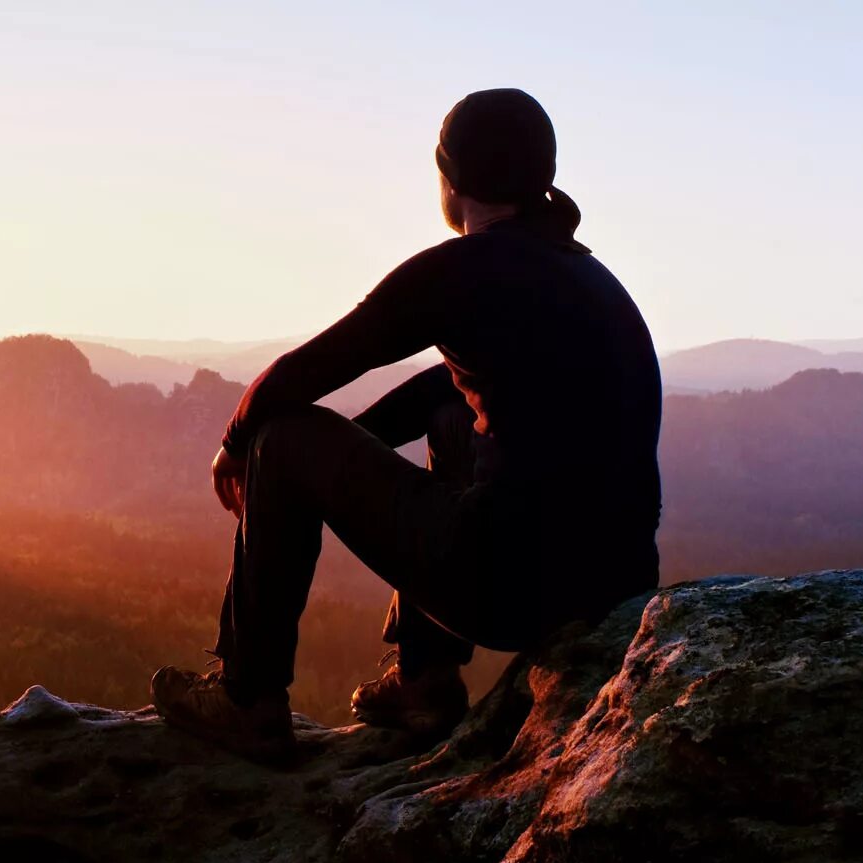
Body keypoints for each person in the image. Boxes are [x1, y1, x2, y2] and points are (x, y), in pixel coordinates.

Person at [151, 88, 661, 765]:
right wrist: (345, 461)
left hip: (511, 588)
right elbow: (445, 390)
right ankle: (424, 679)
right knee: (453, 416)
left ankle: (248, 697)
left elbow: (308, 369)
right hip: (611, 588)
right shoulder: (586, 274)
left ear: (451, 181)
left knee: (281, 436)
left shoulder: (460, 271)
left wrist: (241, 445)